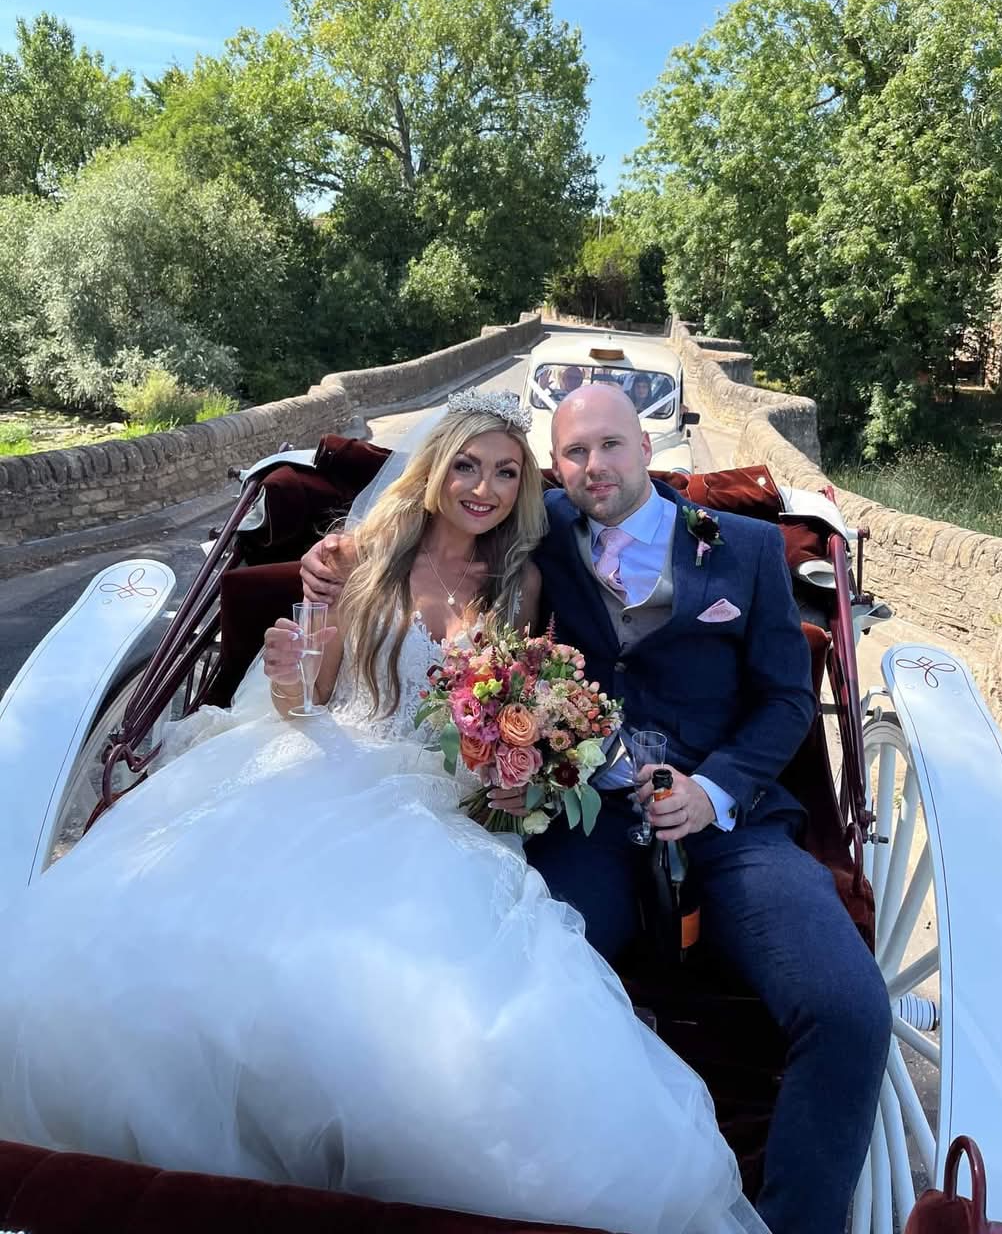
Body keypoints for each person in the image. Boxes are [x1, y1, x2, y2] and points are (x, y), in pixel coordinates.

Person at [0, 389, 762, 1234]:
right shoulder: (359, 557)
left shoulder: (523, 580)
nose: (485, 489)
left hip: (438, 800)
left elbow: (513, 704)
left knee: (439, 1018)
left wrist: (518, 767)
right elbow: (308, 701)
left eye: (508, 473)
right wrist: (290, 663)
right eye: (467, 466)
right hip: (321, 761)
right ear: (433, 467)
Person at [300, 384, 892, 1234]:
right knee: (516, 992)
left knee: (849, 1012)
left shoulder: (748, 548)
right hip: (587, 824)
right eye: (573, 453)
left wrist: (713, 790)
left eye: (610, 446)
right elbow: (433, 515)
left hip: (731, 829)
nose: (593, 467)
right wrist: (335, 552)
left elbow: (785, 701)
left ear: (649, 451)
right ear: (557, 467)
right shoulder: (537, 532)